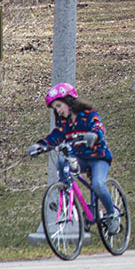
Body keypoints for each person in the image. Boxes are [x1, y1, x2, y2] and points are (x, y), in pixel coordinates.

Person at [28, 83, 121, 234]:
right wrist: (40, 146)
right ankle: (66, 192)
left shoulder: (88, 115)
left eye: (59, 106)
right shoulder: (64, 123)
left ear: (69, 101)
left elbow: (99, 128)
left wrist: (94, 135)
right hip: (80, 158)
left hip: (98, 158)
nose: (58, 110)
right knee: (62, 161)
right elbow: (56, 136)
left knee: (97, 184)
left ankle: (112, 215)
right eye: (55, 108)